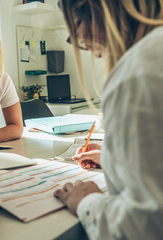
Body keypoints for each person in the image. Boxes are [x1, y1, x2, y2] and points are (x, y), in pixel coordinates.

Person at [53, 0, 163, 239]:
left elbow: (147, 226)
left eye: (76, 27)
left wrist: (87, 202)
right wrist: (114, 159)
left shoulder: (136, 74)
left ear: (94, 9)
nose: (88, 46)